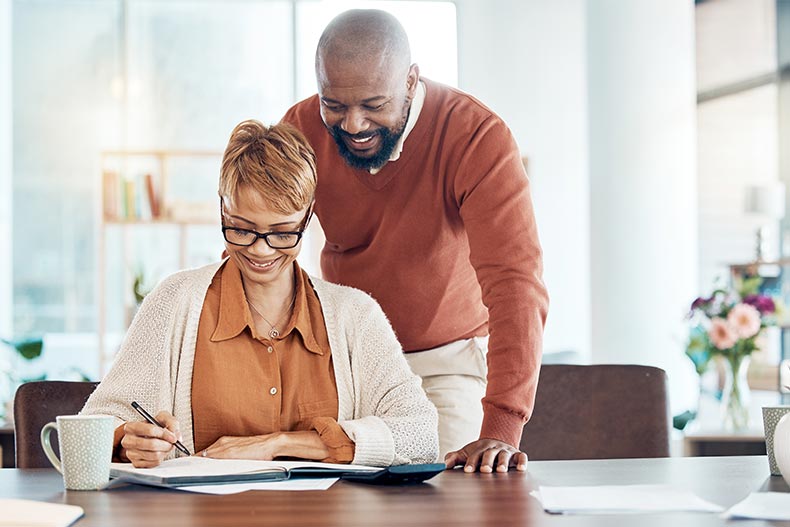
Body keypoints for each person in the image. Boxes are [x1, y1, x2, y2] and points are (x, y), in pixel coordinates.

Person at [81, 120, 438, 468]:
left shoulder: (356, 316)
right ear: (222, 208)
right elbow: (97, 422)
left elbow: (421, 435)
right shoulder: (175, 302)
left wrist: (278, 444)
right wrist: (129, 439)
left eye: (283, 233)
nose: (261, 251)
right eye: (242, 229)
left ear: (308, 216)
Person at [282, 9, 549, 473]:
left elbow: (515, 283)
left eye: (373, 104)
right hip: (342, 366)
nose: (353, 125)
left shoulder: (475, 135)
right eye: (335, 105)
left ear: (410, 80)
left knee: (453, 498)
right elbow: (261, 244)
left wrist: (501, 427)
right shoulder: (301, 128)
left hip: (444, 365)